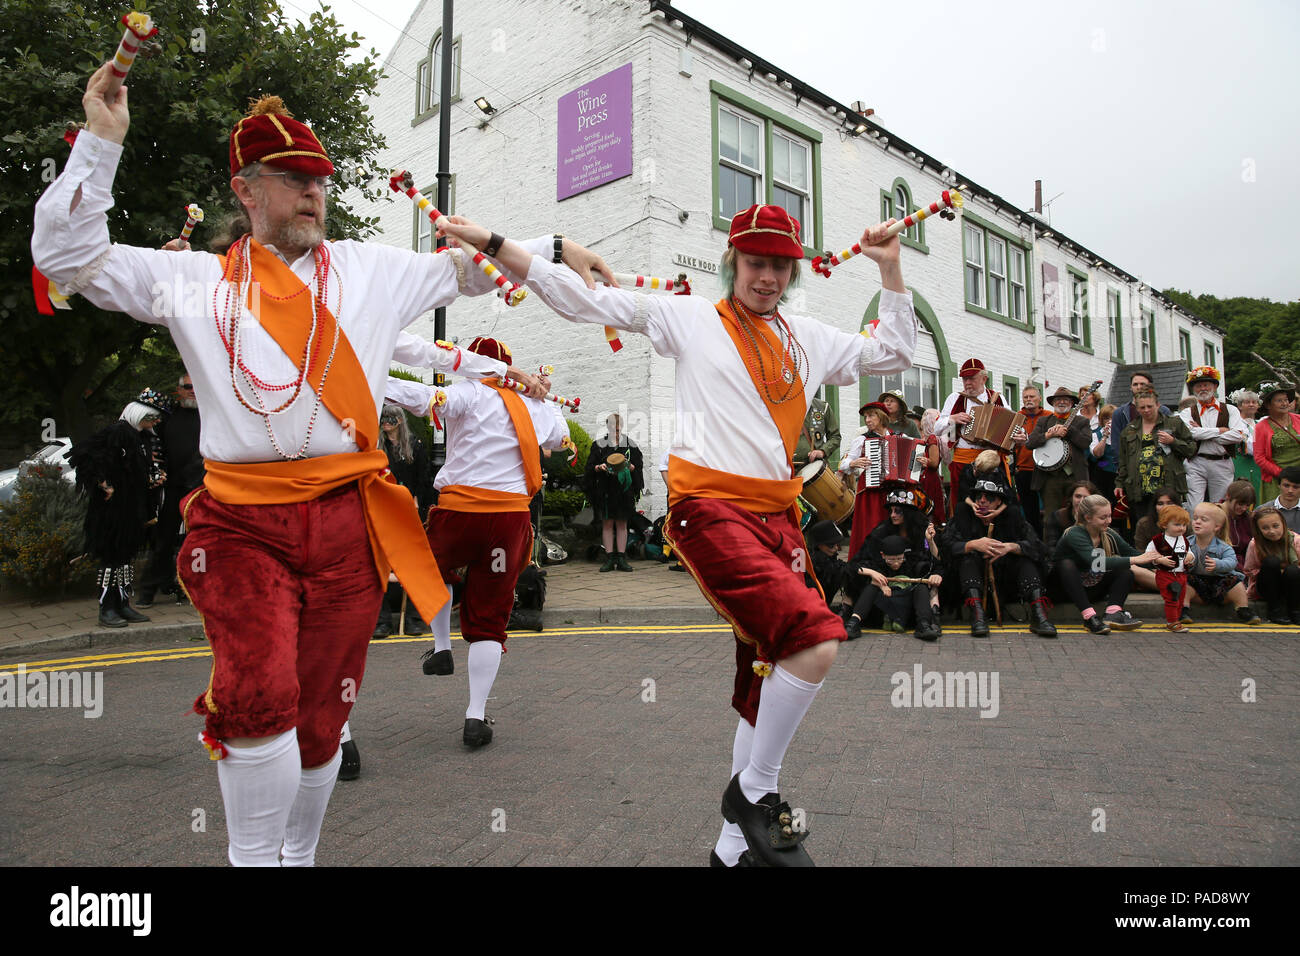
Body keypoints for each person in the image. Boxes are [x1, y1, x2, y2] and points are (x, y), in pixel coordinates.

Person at [32, 65, 568, 866]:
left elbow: (479, 273)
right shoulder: (193, 282)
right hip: (242, 524)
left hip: (348, 524)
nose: (313, 194)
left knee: (321, 722)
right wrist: (101, 142)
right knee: (255, 701)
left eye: (319, 179)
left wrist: (556, 248)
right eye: (292, 180)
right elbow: (67, 258)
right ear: (247, 192)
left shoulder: (370, 268)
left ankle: (299, 856)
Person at [437, 202, 916, 866]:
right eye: (756, 262)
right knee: (814, 640)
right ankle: (757, 796)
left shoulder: (809, 338)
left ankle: (729, 849)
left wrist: (890, 268)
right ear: (732, 261)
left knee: (765, 672)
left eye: (781, 265)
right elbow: (585, 302)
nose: (768, 277)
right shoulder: (690, 316)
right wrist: (497, 243)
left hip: (779, 523)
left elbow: (892, 352)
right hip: (710, 510)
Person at [387, 337, 570, 747]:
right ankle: (475, 716)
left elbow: (422, 399)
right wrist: (545, 396)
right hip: (507, 520)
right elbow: (559, 441)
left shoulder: (468, 392)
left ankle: (441, 647)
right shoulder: (536, 406)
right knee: (490, 614)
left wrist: (365, 375)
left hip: (460, 512)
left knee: (431, 571)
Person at [68, 401, 163, 628]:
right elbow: (85, 455)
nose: (154, 422)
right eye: (150, 417)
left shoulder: (139, 437)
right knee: (111, 557)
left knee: (125, 557)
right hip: (111, 512)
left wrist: (152, 479)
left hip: (129, 509)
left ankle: (122, 603)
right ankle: (107, 608)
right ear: (138, 415)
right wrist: (103, 484)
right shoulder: (118, 432)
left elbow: (132, 469)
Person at [939, 472, 1056, 638]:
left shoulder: (1013, 516)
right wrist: (972, 545)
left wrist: (1012, 547)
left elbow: (1037, 547)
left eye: (989, 498)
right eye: (979, 496)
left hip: (1007, 578)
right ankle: (977, 615)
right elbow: (946, 546)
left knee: (1026, 562)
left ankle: (1039, 614)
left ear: (1000, 501)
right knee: (967, 561)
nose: (982, 501)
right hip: (971, 580)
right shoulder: (963, 514)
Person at [138, 376, 204, 607]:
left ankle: (198, 588)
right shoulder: (167, 417)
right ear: (179, 390)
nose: (192, 391)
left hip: (203, 488)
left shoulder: (210, 414)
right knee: (163, 538)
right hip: (173, 485)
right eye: (188, 387)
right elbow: (154, 446)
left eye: (196, 386)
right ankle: (148, 589)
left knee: (200, 540)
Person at [1052, 493, 1154, 633]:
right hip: (1064, 590)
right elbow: (1096, 561)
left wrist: (1158, 559)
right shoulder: (1074, 533)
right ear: (1088, 518)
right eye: (1103, 517)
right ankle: (1089, 618)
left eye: (1109, 516)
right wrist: (1135, 560)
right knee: (1066, 564)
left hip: (1091, 588)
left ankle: (1113, 614)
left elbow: (1132, 553)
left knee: (1126, 572)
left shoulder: (1108, 533)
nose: (1109, 520)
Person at [372, 403, 432, 638]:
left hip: (408, 512)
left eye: (390, 418)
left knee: (413, 565)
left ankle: (415, 619)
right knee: (380, 564)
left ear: (399, 421)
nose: (385, 422)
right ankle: (382, 621)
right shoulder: (376, 447)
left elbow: (424, 477)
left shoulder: (415, 446)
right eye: (383, 418)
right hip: (383, 511)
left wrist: (417, 499)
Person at [1116, 389, 1196, 541]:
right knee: (1145, 527)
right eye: (1142, 407)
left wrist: (1173, 441)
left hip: (1168, 485)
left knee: (1172, 524)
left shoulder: (1174, 423)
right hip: (1139, 489)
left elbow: (1191, 449)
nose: (1146, 410)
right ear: (1137, 408)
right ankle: (1147, 559)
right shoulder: (1129, 430)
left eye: (1150, 406)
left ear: (1158, 405)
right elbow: (1123, 461)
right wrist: (1119, 483)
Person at [933, 358, 1007, 516]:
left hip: (990, 461)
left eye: (972, 378)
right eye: (964, 379)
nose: (967, 383)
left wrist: (1020, 435)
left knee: (991, 503)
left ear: (984, 378)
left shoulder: (998, 398)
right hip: (963, 460)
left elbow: (1011, 428)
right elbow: (937, 429)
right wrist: (952, 419)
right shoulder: (955, 398)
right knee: (962, 504)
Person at [843, 534, 942, 641]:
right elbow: (850, 568)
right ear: (883, 555)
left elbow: (935, 564)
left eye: (899, 558)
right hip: (882, 606)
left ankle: (924, 625)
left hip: (907, 607)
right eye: (891, 560)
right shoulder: (876, 563)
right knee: (872, 586)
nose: (895, 563)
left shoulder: (912, 562)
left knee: (921, 587)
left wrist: (936, 575)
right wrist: (872, 574)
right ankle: (854, 622)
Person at [1179, 366, 1247, 510]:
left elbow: (1238, 435)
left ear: (1215, 386)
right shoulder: (1187, 412)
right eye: (1198, 386)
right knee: (1193, 506)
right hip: (1195, 462)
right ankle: (1195, 533)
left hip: (1222, 462)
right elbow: (1189, 434)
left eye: (1206, 385)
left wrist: (1202, 432)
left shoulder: (1230, 409)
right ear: (1193, 389)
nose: (1202, 388)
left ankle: (1220, 533)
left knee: (1221, 506)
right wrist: (1220, 431)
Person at [586, 413, 644, 572]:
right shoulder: (598, 445)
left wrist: (632, 468)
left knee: (622, 523)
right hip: (606, 491)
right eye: (612, 429)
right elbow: (590, 467)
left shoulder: (630, 445)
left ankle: (622, 558)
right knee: (607, 523)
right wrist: (599, 467)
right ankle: (610, 557)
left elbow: (638, 467)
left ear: (622, 427)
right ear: (608, 427)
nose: (615, 433)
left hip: (624, 491)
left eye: (618, 430)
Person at [1024, 385, 1091, 522]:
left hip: (1074, 476)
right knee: (1050, 518)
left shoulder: (1082, 421)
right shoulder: (1044, 421)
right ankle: (1050, 543)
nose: (1061, 402)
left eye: (1066, 400)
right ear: (1053, 403)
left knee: (1077, 516)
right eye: (1058, 400)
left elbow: (1085, 442)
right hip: (1049, 478)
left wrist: (1069, 430)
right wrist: (1049, 435)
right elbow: (1030, 443)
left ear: (1072, 403)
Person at [1185, 502, 1260, 625]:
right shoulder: (1186, 543)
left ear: (1216, 527)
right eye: (1195, 518)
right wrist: (1184, 559)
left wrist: (1218, 564)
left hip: (1219, 586)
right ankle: (1183, 609)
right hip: (1197, 587)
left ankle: (1243, 609)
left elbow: (1232, 562)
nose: (1197, 522)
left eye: (1203, 519)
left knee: (1236, 582)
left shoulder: (1224, 547)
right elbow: (1176, 558)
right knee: (1184, 581)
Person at [841, 401, 894, 558]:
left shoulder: (898, 437)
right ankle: (865, 561)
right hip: (870, 492)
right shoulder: (862, 439)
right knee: (869, 527)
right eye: (866, 417)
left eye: (871, 415)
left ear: (881, 416)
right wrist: (853, 463)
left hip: (892, 492)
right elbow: (843, 463)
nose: (868, 420)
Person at [1242, 505, 1300, 625]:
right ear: (1259, 530)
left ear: (1283, 524)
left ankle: (1295, 611)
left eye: (1275, 526)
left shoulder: (1295, 540)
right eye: (1265, 528)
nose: (1272, 531)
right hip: (1267, 586)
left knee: (1293, 570)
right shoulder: (1255, 544)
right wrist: (1276, 573)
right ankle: (1274, 610)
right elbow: (1249, 570)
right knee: (1271, 562)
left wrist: (1284, 572)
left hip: (1291, 583)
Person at [1146, 504, 1196, 631]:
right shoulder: (1157, 540)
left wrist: (1190, 557)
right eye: (1177, 525)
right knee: (1171, 598)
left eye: (1184, 525)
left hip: (1181, 575)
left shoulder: (1183, 540)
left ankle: (1176, 619)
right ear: (1164, 525)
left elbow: (1190, 552)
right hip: (1165, 575)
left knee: (1180, 598)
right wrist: (1159, 559)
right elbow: (1148, 555)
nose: (1182, 528)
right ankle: (1172, 622)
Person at [1012, 384, 1051, 536]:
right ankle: (1033, 541)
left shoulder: (1049, 416)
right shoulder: (1017, 417)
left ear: (1039, 398)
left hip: (1045, 468)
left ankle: (1049, 541)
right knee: (1029, 510)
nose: (1029, 400)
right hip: (1024, 469)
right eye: (1026, 397)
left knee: (1049, 508)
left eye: (1032, 396)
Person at [1253, 381, 1300, 503]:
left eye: (1286, 400)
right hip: (1276, 479)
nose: (1284, 403)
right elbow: (1259, 458)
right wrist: (1282, 474)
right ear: (1268, 405)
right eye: (1279, 401)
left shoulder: (1299, 420)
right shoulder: (1260, 427)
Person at [1043, 479, 1099, 555]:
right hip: (1064, 559)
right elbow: (1051, 548)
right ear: (1071, 498)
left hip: (1091, 558)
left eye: (1086, 498)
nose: (1081, 501)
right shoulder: (1058, 516)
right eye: (1078, 496)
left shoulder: (1099, 518)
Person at [806, 520, 851, 613]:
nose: (836, 548)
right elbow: (842, 569)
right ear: (819, 545)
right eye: (831, 545)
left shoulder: (830, 559)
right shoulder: (814, 562)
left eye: (837, 544)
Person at [1227, 388, 1262, 502]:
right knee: (1241, 495)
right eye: (1247, 402)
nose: (1251, 405)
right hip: (1239, 463)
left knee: (1257, 496)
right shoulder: (1234, 423)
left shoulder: (1260, 424)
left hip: (1257, 465)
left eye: (1254, 402)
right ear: (1240, 406)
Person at [793, 393, 841, 469]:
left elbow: (835, 437)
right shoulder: (780, 407)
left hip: (815, 468)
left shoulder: (822, 407)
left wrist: (823, 451)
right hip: (787, 471)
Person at [918, 408, 947, 526]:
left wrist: (925, 461)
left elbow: (934, 463)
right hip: (928, 478)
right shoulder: (931, 438)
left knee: (929, 510)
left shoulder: (932, 438)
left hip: (929, 479)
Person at [1088, 403, 1119, 505]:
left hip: (1119, 476)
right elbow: (1097, 454)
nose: (1110, 421)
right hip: (1102, 472)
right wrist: (1105, 436)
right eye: (1106, 418)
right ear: (1102, 420)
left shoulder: (1123, 434)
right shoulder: (1096, 435)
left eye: (1113, 418)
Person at [1223, 478, 1256, 565]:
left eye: (1248, 505)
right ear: (1228, 496)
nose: (1244, 508)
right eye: (1240, 504)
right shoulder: (1214, 514)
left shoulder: (1247, 518)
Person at [1262, 465, 1300, 534]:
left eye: (1295, 487)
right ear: (1279, 485)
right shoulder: (1262, 510)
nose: (1290, 490)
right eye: (1286, 485)